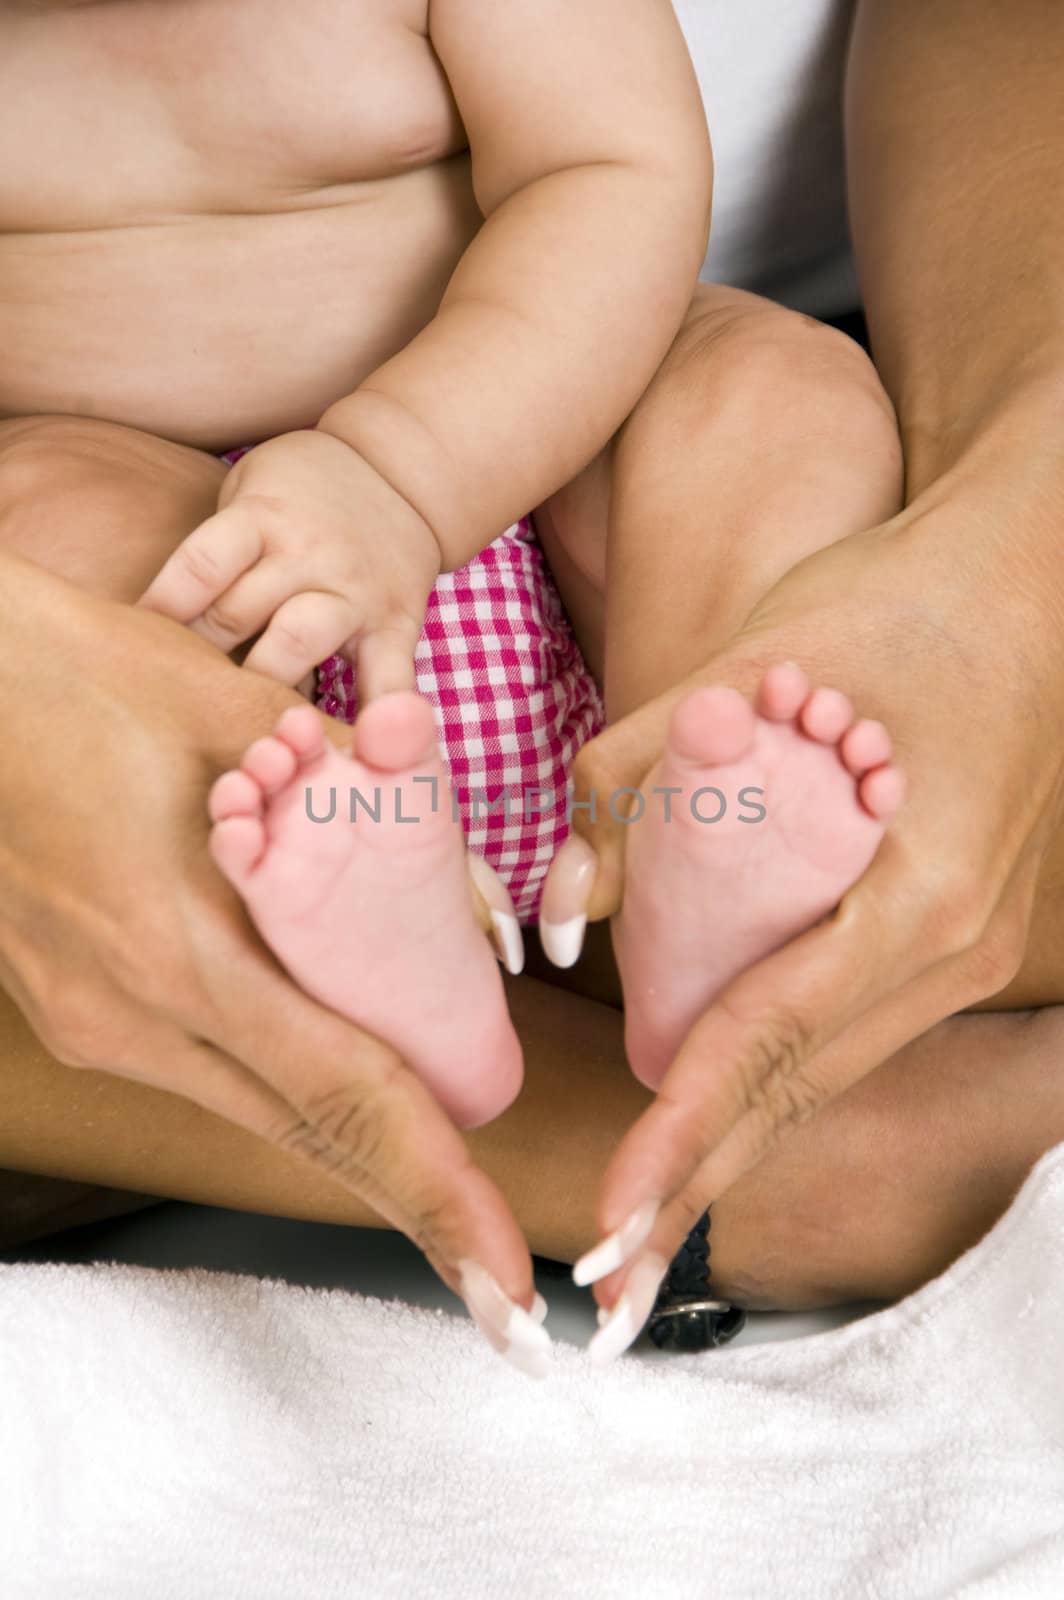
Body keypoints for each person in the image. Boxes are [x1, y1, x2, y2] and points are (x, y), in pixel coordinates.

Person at [3, 0, 1064, 1378]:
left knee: (761, 389)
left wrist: (400, 471)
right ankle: (363, 945)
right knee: (51, 527)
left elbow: (611, 173)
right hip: (173, 563)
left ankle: (719, 822)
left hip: (548, 424)